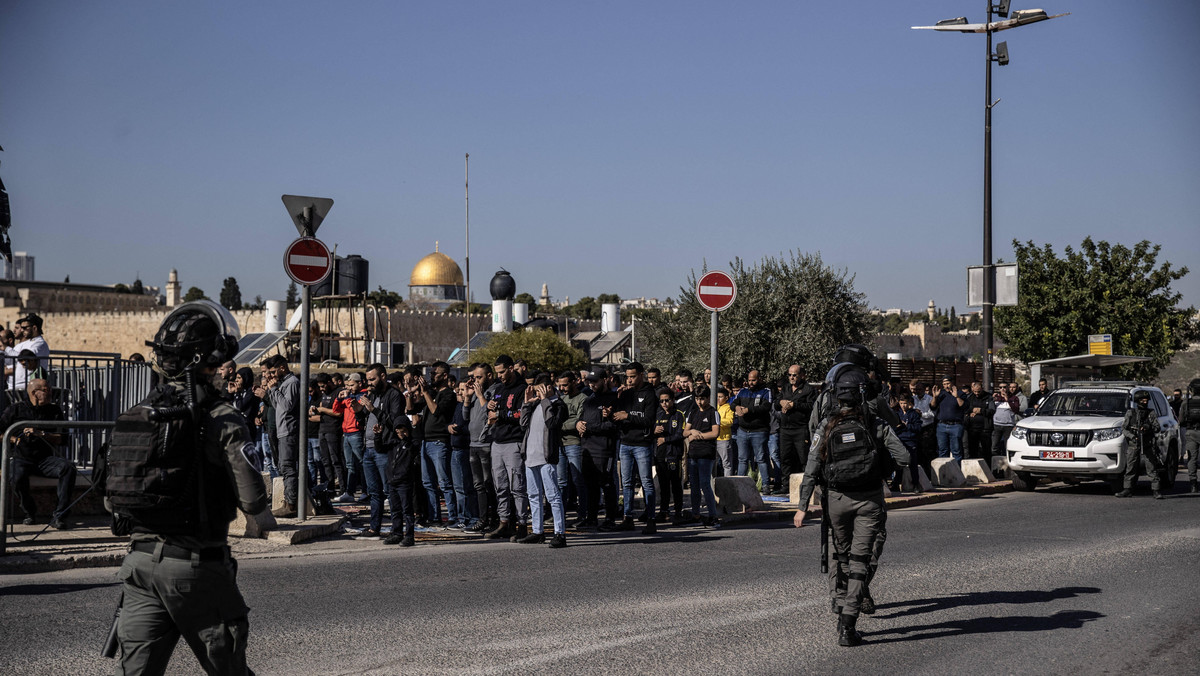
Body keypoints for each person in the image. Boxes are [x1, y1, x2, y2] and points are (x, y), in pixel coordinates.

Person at [109, 300, 275, 675]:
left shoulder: (142, 412)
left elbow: (114, 496)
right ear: (207, 364)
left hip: (139, 565)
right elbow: (253, 501)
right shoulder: (222, 418)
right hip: (195, 566)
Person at [794, 368, 910, 647]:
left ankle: (839, 603)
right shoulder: (876, 423)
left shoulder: (826, 424)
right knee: (860, 563)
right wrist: (884, 467)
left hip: (835, 500)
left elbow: (811, 468)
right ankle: (848, 626)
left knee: (840, 557)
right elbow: (904, 456)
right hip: (869, 500)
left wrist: (801, 507)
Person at [2, 378, 74, 528]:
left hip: (45, 459)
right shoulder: (15, 410)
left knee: (68, 468)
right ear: (35, 393)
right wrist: (13, 438)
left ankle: (59, 515)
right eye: (48, 390)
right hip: (21, 457)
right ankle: (29, 511)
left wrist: (42, 434)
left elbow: (62, 439)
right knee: (16, 476)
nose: (51, 394)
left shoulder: (54, 411)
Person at [358, 363, 416, 546]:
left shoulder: (394, 395)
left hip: (386, 449)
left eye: (373, 379)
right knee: (374, 492)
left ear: (383, 376)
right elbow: (367, 419)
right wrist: (359, 409)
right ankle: (374, 527)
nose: (370, 383)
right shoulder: (373, 395)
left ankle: (397, 530)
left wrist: (373, 409)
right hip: (369, 447)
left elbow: (395, 422)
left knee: (391, 492)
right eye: (367, 379)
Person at [519, 373, 568, 548]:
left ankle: (559, 533)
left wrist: (546, 400)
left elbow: (552, 423)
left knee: (553, 495)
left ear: (548, 388)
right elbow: (523, 424)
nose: (537, 393)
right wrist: (526, 403)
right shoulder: (536, 405)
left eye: (539, 388)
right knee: (533, 495)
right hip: (530, 457)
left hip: (547, 457)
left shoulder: (559, 405)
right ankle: (538, 531)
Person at [485, 355, 531, 541]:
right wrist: (490, 406)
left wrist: (500, 414)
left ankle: (521, 524)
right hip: (497, 442)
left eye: (502, 372)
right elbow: (493, 410)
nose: (500, 376)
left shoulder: (522, 389)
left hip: (514, 442)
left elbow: (521, 414)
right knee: (500, 486)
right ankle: (504, 521)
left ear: (511, 368)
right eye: (497, 373)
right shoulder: (499, 388)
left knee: (517, 486)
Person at [613, 361, 659, 535]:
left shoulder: (649, 395)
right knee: (626, 483)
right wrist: (611, 411)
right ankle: (627, 517)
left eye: (633, 376)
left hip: (642, 445)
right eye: (627, 377)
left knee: (646, 482)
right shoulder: (625, 394)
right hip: (625, 443)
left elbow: (648, 420)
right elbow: (617, 416)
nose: (630, 380)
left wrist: (628, 415)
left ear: (641, 375)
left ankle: (650, 519)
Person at [578, 370, 620, 531]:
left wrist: (589, 428)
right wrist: (578, 425)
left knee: (607, 484)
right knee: (590, 486)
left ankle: (610, 519)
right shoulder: (588, 400)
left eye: (595, 381)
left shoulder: (613, 400)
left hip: (604, 450)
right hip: (587, 448)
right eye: (589, 382)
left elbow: (613, 426)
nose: (591, 385)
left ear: (605, 380)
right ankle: (591, 518)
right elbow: (581, 419)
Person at [419, 361, 458, 527]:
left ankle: (453, 516)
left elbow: (436, 410)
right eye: (431, 373)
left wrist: (426, 392)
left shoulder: (448, 394)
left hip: (439, 442)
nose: (431, 376)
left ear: (444, 376)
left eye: (435, 373)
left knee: (444, 483)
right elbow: (411, 409)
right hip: (425, 442)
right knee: (428, 483)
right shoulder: (432, 393)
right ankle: (434, 516)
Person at [261, 355, 300, 517]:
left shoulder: (291, 383)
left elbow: (286, 406)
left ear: (282, 367)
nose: (270, 375)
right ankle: (287, 501)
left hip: (289, 431)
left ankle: (291, 505)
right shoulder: (284, 383)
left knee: (288, 467)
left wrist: (274, 389)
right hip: (282, 430)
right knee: (283, 467)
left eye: (273, 371)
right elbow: (277, 405)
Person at [465, 363, 498, 532]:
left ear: (490, 376)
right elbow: (466, 416)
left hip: (486, 444)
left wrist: (480, 396)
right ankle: (483, 518)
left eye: (479, 377)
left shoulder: (494, 391)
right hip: (473, 444)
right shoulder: (477, 394)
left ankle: (494, 519)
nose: (476, 381)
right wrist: (468, 397)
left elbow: (490, 414)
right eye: (474, 377)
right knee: (478, 484)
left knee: (489, 484)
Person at [555, 371, 590, 527]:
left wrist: (562, 425)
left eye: (565, 384)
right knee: (561, 482)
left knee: (578, 480)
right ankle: (560, 515)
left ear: (574, 382)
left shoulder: (583, 399)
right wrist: (567, 425)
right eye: (560, 385)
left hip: (574, 444)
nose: (562, 388)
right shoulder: (561, 399)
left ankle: (583, 514)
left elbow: (580, 420)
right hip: (560, 444)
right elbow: (556, 421)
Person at [682, 386, 721, 526]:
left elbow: (715, 433)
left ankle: (713, 515)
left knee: (705, 484)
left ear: (708, 398)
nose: (699, 402)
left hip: (706, 454)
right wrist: (692, 431)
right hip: (693, 454)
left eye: (702, 398)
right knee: (694, 486)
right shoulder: (693, 412)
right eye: (697, 398)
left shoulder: (713, 413)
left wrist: (698, 436)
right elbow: (685, 432)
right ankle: (696, 514)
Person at [1116, 390, 1163, 499]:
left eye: (1146, 399)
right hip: (1134, 443)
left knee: (1151, 468)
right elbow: (1124, 429)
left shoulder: (1151, 413)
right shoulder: (1131, 413)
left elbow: (1157, 428)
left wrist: (1148, 427)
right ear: (1137, 401)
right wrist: (1132, 436)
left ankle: (1156, 490)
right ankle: (1127, 489)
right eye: (1142, 399)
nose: (1145, 401)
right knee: (1131, 467)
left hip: (1148, 444)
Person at [776, 365, 816, 490]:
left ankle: (806, 485)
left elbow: (811, 406)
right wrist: (781, 402)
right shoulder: (786, 388)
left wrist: (795, 405)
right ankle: (786, 485)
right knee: (785, 457)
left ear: (801, 375)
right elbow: (776, 402)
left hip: (800, 428)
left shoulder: (808, 389)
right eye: (790, 375)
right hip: (785, 429)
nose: (792, 377)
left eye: (794, 375)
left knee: (803, 457)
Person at [732, 369, 773, 486]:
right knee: (742, 459)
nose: (751, 383)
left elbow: (766, 406)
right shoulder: (742, 392)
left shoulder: (766, 391)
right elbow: (733, 403)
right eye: (749, 380)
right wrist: (736, 408)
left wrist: (748, 410)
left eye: (753, 380)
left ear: (759, 379)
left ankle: (765, 485)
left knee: (761, 459)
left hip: (759, 431)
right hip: (743, 431)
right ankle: (739, 484)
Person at [331, 372, 367, 504]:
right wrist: (339, 399)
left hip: (356, 432)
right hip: (346, 433)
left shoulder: (362, 395)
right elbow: (337, 410)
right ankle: (349, 492)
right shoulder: (349, 395)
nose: (349, 388)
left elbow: (355, 410)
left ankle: (365, 491)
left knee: (362, 463)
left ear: (359, 383)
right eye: (347, 385)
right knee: (350, 465)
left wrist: (347, 398)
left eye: (352, 385)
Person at [653, 389, 685, 523]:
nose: (664, 403)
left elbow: (681, 434)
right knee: (663, 485)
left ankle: (678, 512)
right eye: (662, 401)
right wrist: (654, 430)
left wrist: (666, 440)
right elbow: (650, 431)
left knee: (676, 485)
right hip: (660, 455)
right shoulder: (658, 414)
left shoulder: (678, 415)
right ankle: (664, 511)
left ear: (672, 400)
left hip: (674, 455)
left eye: (667, 400)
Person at [6, 313, 50, 390]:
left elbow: (25, 357)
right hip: (16, 386)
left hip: (28, 386)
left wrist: (5, 348)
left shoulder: (39, 343)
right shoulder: (27, 343)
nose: (22, 330)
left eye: (25, 328)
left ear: (34, 328)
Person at [932, 377, 966, 461]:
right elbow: (933, 407)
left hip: (955, 426)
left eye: (948, 383)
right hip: (942, 426)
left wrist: (957, 397)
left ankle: (956, 472)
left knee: (956, 451)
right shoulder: (941, 394)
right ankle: (945, 472)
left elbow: (964, 406)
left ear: (952, 383)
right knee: (942, 450)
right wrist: (935, 397)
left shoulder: (960, 393)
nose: (946, 386)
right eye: (944, 384)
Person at [1179, 379, 1200, 494]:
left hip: (1191, 432)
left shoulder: (1186, 403)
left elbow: (1181, 420)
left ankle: (1193, 484)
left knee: (1192, 459)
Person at [715, 387, 735, 477]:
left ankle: (728, 483)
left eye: (720, 397)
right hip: (714, 438)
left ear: (726, 398)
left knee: (726, 463)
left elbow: (730, 421)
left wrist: (718, 421)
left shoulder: (729, 408)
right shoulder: (715, 406)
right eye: (717, 396)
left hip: (724, 439)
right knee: (713, 463)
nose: (718, 399)